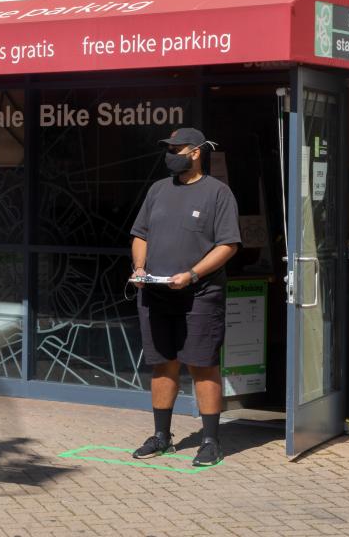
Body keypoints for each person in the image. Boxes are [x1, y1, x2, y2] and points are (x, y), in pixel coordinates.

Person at [129, 127, 241, 466]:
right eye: (168, 149)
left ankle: (210, 441)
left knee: (203, 366)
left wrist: (192, 274)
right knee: (162, 364)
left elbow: (228, 245)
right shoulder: (158, 190)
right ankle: (162, 436)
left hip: (200, 296)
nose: (170, 155)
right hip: (156, 294)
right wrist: (139, 268)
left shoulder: (218, 194)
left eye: (176, 149)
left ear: (195, 152)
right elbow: (140, 234)